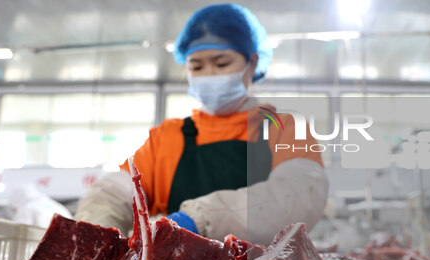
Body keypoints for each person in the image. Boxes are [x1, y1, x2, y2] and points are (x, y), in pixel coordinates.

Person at [75, 4, 328, 245]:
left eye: (221, 63)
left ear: (251, 63)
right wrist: (93, 229)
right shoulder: (166, 137)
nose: (209, 74)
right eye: (196, 66)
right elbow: (118, 189)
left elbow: (297, 194)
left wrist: (198, 220)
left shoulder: (284, 128)